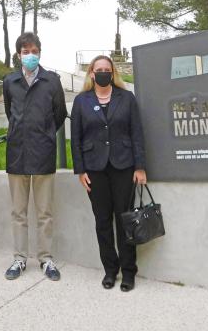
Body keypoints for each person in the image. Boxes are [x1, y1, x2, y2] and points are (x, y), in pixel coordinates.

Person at [70, 55, 147, 292]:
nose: (103, 72)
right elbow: (76, 138)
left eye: (107, 69)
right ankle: (110, 270)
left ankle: (129, 271)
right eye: (99, 69)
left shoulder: (127, 98)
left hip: (124, 167)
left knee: (125, 220)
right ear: (91, 74)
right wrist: (80, 170)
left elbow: (136, 133)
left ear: (112, 73)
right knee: (102, 221)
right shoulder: (81, 101)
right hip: (94, 170)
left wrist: (140, 167)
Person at [2, 32, 68, 281]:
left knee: (44, 212)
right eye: (25, 51)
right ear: (19, 55)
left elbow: (59, 113)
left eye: (34, 51)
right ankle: (19, 258)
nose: (30, 55)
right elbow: (10, 112)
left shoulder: (52, 81)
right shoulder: (10, 81)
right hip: (17, 152)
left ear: (40, 52)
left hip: (43, 152)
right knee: (18, 212)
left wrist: (45, 134)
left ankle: (46, 258)